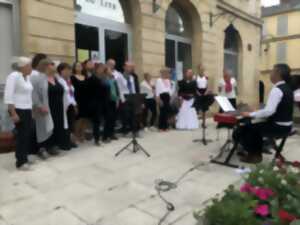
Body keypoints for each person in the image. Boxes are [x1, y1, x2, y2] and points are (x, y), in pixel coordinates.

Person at [233, 64, 294, 163]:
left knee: (245, 127)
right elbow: (277, 108)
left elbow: (269, 111)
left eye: (272, 71)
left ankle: (254, 155)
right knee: (253, 125)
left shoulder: (277, 89)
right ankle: (258, 149)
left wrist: (250, 114)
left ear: (278, 74)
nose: (270, 74)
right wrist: (256, 112)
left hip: (278, 127)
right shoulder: (287, 88)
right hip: (287, 126)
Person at [31, 59, 69, 156]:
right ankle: (42, 148)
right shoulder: (38, 78)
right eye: (52, 64)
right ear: (46, 66)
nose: (54, 66)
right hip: (46, 108)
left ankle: (52, 146)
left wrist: (66, 104)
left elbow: (63, 91)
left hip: (58, 108)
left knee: (56, 126)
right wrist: (40, 106)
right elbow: (34, 93)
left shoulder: (56, 77)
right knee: (44, 128)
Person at [4, 57, 33, 170]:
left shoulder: (27, 77)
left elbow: (28, 94)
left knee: (27, 134)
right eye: (29, 66)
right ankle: (20, 162)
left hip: (27, 108)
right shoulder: (14, 76)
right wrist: (13, 112)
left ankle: (24, 156)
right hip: (18, 109)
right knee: (22, 135)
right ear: (22, 66)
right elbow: (8, 95)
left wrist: (31, 109)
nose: (31, 68)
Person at [86, 63, 109, 145]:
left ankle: (104, 137)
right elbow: (88, 92)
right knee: (97, 121)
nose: (103, 70)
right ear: (97, 69)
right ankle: (97, 139)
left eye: (104, 68)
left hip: (104, 102)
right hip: (96, 102)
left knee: (105, 120)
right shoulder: (92, 78)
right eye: (101, 68)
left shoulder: (104, 78)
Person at [57, 63, 78, 148]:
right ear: (61, 71)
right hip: (64, 105)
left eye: (69, 70)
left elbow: (71, 94)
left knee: (70, 124)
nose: (69, 72)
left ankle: (70, 141)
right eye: (67, 70)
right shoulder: (59, 81)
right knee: (64, 124)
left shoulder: (69, 81)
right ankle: (64, 142)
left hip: (71, 104)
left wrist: (75, 104)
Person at [116, 62, 138, 135]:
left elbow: (133, 88)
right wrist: (122, 100)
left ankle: (134, 131)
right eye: (128, 67)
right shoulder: (120, 77)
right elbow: (119, 89)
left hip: (132, 97)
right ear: (124, 67)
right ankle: (124, 131)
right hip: (124, 98)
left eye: (131, 67)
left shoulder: (132, 77)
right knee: (125, 115)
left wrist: (135, 98)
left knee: (133, 115)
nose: (130, 69)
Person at [71, 62, 89, 142]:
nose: (79, 67)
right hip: (78, 99)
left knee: (85, 118)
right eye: (77, 66)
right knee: (78, 118)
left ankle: (82, 134)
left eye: (80, 66)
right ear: (74, 68)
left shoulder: (85, 77)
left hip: (86, 99)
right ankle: (76, 135)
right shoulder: (72, 77)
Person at [103, 67, 120, 142]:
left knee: (113, 118)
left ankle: (112, 134)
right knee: (108, 119)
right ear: (106, 72)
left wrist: (117, 100)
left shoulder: (114, 80)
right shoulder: (104, 80)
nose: (111, 72)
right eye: (109, 70)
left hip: (114, 100)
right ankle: (105, 136)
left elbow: (117, 90)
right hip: (107, 102)